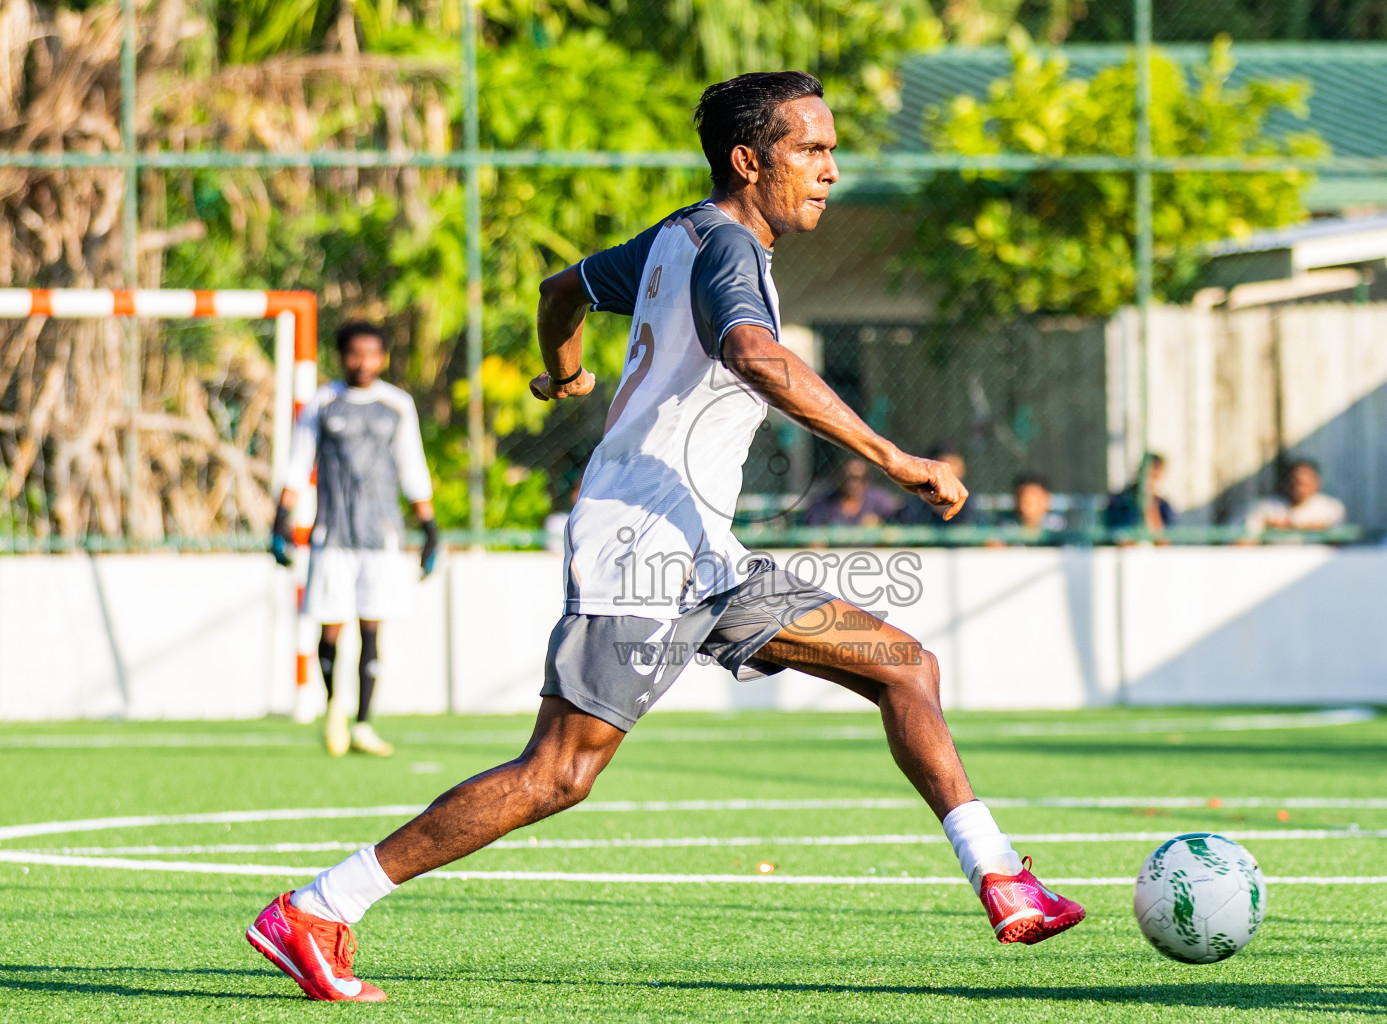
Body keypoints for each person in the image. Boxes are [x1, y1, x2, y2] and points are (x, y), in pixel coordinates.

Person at [246, 71, 1084, 1003]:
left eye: (830, 149)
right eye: (810, 149)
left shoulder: (677, 234)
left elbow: (561, 288)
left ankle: (1001, 876)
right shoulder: (727, 247)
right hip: (639, 544)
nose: (830, 170)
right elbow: (754, 354)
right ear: (748, 159)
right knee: (558, 772)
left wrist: (563, 371)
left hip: (703, 550)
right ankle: (320, 907)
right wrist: (894, 458)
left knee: (902, 664)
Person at [271, 321, 438, 759]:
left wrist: (430, 528)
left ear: (382, 358)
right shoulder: (322, 404)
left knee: (371, 627)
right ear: (341, 355)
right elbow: (297, 463)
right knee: (331, 629)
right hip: (333, 536)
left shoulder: (396, 405)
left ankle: (364, 723)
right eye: (354, 353)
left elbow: (412, 467)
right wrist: (280, 518)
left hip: (381, 538)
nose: (363, 362)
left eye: (371, 354)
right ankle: (333, 708)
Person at [1237, 459, 1345, 537]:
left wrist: (1291, 526)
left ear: (1317, 483)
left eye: (1305, 483)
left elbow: (1339, 543)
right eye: (1295, 482)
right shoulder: (1266, 508)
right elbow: (1244, 541)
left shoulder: (1331, 509)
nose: (1299, 488)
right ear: (1285, 483)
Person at [804, 457, 903, 525]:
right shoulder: (823, 504)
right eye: (848, 478)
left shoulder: (879, 500)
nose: (853, 484)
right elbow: (813, 541)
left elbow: (898, 524)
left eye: (860, 478)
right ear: (839, 478)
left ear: (867, 480)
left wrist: (880, 528)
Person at [897, 445, 976, 525]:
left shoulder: (970, 506)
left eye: (955, 465)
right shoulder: (915, 505)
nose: (952, 472)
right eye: (946, 466)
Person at [1105, 453, 1176, 536]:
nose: (1151, 482)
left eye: (1155, 477)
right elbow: (1120, 536)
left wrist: (1151, 507)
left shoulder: (1163, 507)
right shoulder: (1120, 502)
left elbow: (1165, 540)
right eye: (1148, 475)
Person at [1013, 473, 1063, 542]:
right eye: (1024, 500)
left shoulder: (1057, 526)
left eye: (1035, 500)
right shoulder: (1008, 526)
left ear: (1047, 499)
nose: (1029, 505)